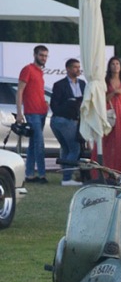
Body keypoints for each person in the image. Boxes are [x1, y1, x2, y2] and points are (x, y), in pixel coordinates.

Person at [15, 44, 49, 183]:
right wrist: (19, 112)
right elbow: (20, 91)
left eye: (45, 56)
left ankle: (29, 174)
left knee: (33, 145)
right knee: (39, 144)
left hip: (42, 112)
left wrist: (45, 103)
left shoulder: (40, 72)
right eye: (41, 55)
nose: (44, 58)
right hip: (32, 112)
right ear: (35, 55)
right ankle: (41, 174)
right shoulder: (28, 69)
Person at [50, 58, 86, 186]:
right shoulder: (60, 85)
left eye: (79, 67)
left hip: (73, 119)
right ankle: (66, 178)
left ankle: (66, 176)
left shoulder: (82, 84)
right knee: (74, 148)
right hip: (63, 120)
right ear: (68, 69)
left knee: (66, 148)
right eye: (75, 67)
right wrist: (70, 105)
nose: (78, 69)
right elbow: (54, 105)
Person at [103, 56, 121, 175]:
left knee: (120, 141)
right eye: (113, 64)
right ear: (109, 66)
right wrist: (114, 92)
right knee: (107, 140)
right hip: (109, 111)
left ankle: (118, 170)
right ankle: (105, 168)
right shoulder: (106, 80)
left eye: (117, 64)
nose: (115, 66)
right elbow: (104, 99)